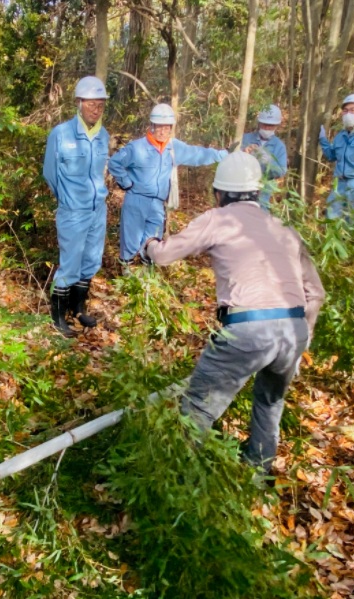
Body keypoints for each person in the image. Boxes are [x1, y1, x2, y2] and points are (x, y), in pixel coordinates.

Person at [143, 151, 325, 475]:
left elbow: (165, 255)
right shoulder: (283, 228)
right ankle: (257, 477)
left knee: (196, 408)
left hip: (249, 329)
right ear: (257, 192)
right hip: (293, 329)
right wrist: (302, 339)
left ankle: (179, 482)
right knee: (270, 404)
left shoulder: (218, 219)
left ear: (219, 193)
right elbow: (316, 293)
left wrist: (150, 246)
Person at [108, 103, 228, 266]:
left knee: (152, 244)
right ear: (152, 126)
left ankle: (146, 282)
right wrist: (126, 183)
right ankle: (126, 276)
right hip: (136, 199)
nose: (163, 131)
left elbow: (197, 154)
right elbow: (115, 162)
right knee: (130, 241)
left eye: (167, 127)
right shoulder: (137, 148)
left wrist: (223, 155)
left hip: (158, 203)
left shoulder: (173, 148)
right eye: (159, 127)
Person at [43, 76, 110, 337]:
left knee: (91, 260)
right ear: (79, 103)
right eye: (92, 103)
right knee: (69, 264)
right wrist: (69, 200)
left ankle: (78, 308)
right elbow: (50, 173)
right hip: (73, 211)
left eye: (101, 104)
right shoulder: (61, 134)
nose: (96, 108)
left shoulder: (103, 135)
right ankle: (58, 316)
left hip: (97, 210)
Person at [241, 104, 288, 209]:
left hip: (263, 192)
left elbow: (281, 171)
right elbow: (232, 159)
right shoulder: (246, 139)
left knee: (260, 217)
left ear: (277, 125)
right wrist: (243, 153)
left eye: (270, 126)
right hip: (241, 188)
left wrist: (267, 161)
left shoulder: (279, 146)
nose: (267, 128)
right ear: (259, 123)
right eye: (264, 124)